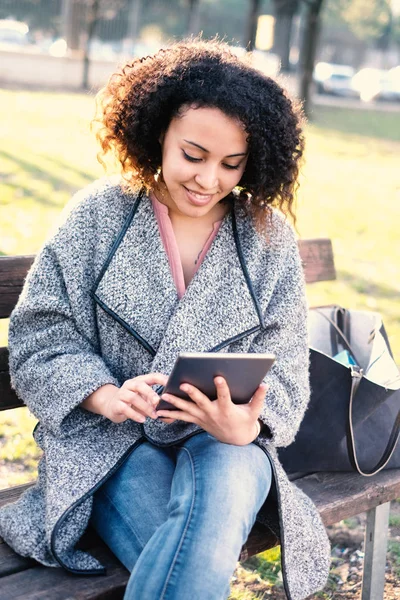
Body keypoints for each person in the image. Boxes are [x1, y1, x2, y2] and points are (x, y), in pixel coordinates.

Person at [0, 39, 330, 599]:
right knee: (193, 553)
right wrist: (101, 393)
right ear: (157, 135)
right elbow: (39, 332)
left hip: (226, 445)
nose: (208, 180)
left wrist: (247, 425)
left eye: (232, 164)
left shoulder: (267, 237)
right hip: (111, 443)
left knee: (219, 492)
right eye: (193, 155)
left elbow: (290, 368)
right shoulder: (99, 215)